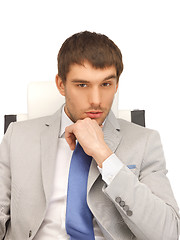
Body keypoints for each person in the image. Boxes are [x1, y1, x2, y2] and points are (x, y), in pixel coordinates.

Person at [0, 31, 179, 240]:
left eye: (105, 84)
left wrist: (105, 156)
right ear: (60, 84)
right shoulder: (18, 136)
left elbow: (168, 233)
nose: (96, 100)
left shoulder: (145, 142)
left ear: (116, 85)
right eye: (82, 85)